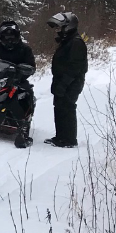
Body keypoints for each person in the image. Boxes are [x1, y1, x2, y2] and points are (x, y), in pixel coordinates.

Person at [0, 20, 36, 148]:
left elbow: (31, 66)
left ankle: (23, 126)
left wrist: (21, 73)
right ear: (1, 36)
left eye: (12, 35)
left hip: (17, 81)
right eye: (6, 36)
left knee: (23, 94)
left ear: (17, 35)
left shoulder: (24, 49)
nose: (9, 39)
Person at [43, 11, 86, 148]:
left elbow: (75, 67)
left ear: (68, 26)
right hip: (62, 81)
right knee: (59, 107)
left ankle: (69, 140)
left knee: (67, 107)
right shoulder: (67, 41)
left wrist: (64, 84)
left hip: (71, 83)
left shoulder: (76, 42)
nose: (56, 30)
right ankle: (60, 137)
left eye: (58, 27)